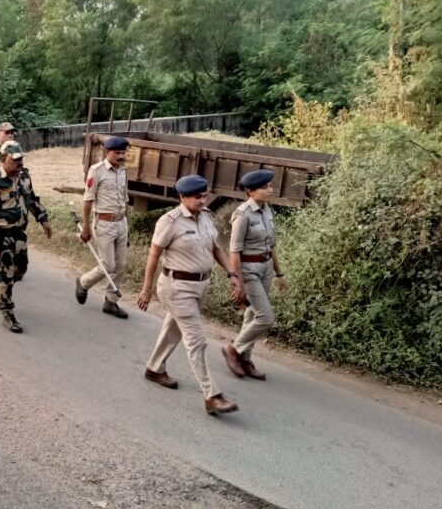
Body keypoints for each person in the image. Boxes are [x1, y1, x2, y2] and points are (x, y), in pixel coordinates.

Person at [137, 175, 245, 416]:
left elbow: (215, 248)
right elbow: (154, 255)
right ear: (182, 197)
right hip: (176, 287)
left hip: (200, 286)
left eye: (205, 195)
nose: (203, 200)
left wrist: (232, 274)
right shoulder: (169, 222)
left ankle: (154, 368)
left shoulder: (205, 216)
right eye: (197, 197)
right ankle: (212, 395)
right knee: (196, 340)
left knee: (174, 328)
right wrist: (146, 289)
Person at [0, 141, 52, 333]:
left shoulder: (24, 176)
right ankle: (7, 314)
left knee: (20, 271)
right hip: (0, 235)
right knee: (6, 275)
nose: (20, 163)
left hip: (19, 233)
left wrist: (43, 218)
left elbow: (31, 199)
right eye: (15, 160)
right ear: (3, 159)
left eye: (21, 159)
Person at [223, 169, 286, 381]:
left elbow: (272, 245)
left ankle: (245, 359)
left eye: (270, 186)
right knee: (266, 318)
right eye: (264, 187)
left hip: (266, 267)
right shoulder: (242, 215)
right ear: (251, 192)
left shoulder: (267, 210)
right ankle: (234, 349)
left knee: (251, 315)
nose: (270, 190)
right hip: (249, 270)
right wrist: (237, 281)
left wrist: (279, 274)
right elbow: (234, 251)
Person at [75, 136, 130, 318]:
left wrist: (127, 227)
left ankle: (110, 302)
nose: (121, 156)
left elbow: (125, 200)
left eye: (123, 153)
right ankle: (83, 282)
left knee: (120, 265)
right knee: (108, 264)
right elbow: (88, 201)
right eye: (117, 153)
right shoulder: (96, 170)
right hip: (104, 224)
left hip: (121, 223)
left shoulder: (123, 171)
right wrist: (85, 228)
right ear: (108, 152)